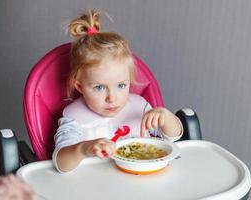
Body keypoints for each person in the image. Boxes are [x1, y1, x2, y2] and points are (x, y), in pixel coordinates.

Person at [52, 9, 183, 173]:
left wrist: (166, 117)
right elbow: (61, 164)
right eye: (99, 88)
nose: (112, 98)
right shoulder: (75, 120)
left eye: (121, 86)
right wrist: (83, 149)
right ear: (79, 86)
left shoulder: (139, 108)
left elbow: (174, 137)